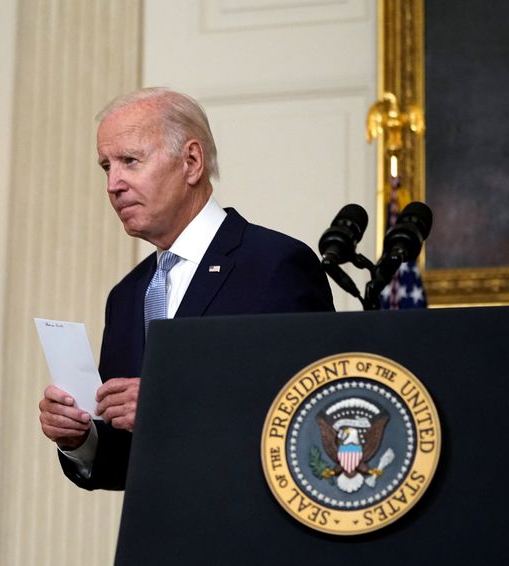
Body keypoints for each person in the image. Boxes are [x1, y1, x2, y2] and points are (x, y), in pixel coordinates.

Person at [38, 87, 334, 490]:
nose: (113, 184)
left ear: (191, 162)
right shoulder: (126, 295)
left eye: (130, 161)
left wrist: (172, 407)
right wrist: (81, 440)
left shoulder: (275, 265)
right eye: (106, 166)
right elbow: (124, 462)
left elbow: (314, 416)